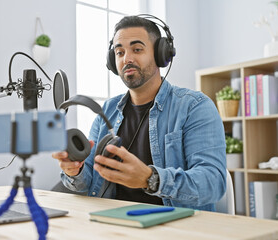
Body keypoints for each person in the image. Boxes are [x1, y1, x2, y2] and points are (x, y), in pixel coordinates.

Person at [52, 15, 226, 211]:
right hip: (113, 223)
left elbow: (213, 183)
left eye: (137, 49)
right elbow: (88, 182)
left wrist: (150, 179)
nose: (127, 59)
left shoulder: (194, 107)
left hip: (176, 226)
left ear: (161, 54)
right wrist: (75, 171)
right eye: (119, 52)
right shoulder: (107, 112)